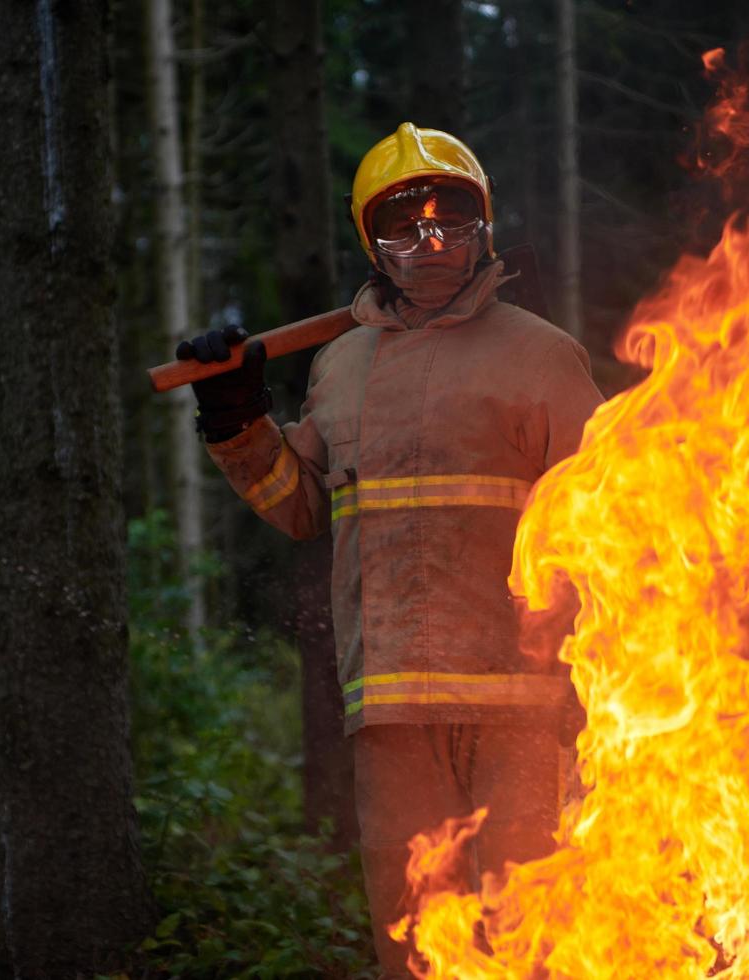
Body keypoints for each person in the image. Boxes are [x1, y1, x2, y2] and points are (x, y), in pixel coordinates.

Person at [177, 122, 603, 976]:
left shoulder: (545, 358)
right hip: (392, 710)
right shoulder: (338, 366)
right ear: (373, 240)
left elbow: (618, 524)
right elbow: (300, 507)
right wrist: (235, 420)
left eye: (453, 219)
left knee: (539, 945)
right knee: (414, 944)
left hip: (523, 708)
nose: (433, 241)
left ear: (485, 224)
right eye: (407, 226)